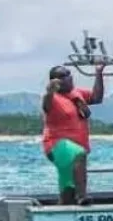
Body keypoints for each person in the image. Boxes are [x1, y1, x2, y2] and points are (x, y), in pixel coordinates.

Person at [41, 63, 105, 205]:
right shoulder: (53, 98)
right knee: (78, 154)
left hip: (75, 149)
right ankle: (82, 196)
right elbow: (46, 105)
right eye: (62, 76)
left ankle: (59, 218)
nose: (68, 78)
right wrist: (49, 92)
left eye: (68, 74)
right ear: (55, 81)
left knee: (68, 191)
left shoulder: (77, 94)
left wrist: (98, 73)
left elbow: (96, 97)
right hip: (56, 146)